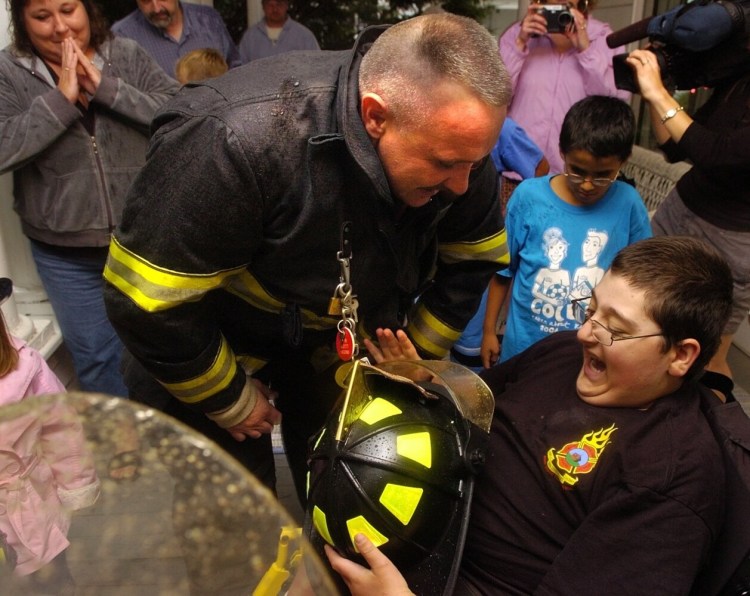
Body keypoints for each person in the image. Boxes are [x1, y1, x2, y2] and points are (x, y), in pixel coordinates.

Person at [103, 13, 512, 505]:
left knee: (349, 488)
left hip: (337, 344)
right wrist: (229, 399)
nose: (464, 186)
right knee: (229, 512)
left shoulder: (453, 141)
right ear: (375, 116)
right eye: (446, 164)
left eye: (475, 161)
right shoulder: (231, 139)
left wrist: (406, 358)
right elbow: (146, 300)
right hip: (214, 340)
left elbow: (473, 261)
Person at [328, 235, 736, 595]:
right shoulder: (564, 353)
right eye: (590, 310)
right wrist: (425, 383)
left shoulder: (673, 475)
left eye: (614, 328)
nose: (584, 333)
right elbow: (476, 403)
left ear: (681, 355)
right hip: (414, 527)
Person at [0, 0, 179, 397]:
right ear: (23, 23)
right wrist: (59, 102)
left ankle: (167, 444)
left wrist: (107, 89)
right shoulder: (8, 71)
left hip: (142, 242)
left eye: (68, 10)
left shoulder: (126, 53)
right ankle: (121, 456)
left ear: (88, 11)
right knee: (99, 362)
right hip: (65, 254)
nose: (60, 27)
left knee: (161, 349)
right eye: (42, 17)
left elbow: (177, 114)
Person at [480, 95, 651, 367]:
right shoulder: (528, 198)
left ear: (624, 161)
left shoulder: (628, 204)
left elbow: (641, 281)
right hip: (525, 351)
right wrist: (488, 331)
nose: (586, 185)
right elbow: (502, 272)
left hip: (590, 354)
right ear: (562, 151)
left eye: (603, 175)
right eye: (577, 171)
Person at [627, 48, 750, 384]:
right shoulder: (741, 77)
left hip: (733, 239)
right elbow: (677, 146)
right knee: (644, 321)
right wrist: (657, 90)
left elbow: (718, 154)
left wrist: (658, 93)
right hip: (679, 210)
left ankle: (709, 432)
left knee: (708, 358)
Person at [0, 278, 100, 593]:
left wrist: (76, 484)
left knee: (51, 579)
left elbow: (62, 431)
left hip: (29, 505)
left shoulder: (26, 370)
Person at [451, 116, 548, 370]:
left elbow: (540, 167)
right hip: (432, 244)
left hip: (476, 248)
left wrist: (511, 211)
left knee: (469, 346)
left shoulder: (499, 126)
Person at [499, 0, 629, 175]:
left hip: (576, 177)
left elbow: (614, 111)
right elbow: (496, 97)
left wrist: (586, 49)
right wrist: (520, 42)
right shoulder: (516, 35)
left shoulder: (606, 40)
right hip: (516, 171)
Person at [112, 0, 241, 79]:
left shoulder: (209, 20)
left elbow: (236, 69)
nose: (156, 8)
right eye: (146, 1)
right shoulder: (123, 35)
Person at [239, 0, 319, 64]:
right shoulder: (250, 37)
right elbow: (240, 70)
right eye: (270, 5)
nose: (275, 9)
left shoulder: (304, 36)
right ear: (263, 6)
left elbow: (317, 65)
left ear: (286, 5)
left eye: (279, 4)